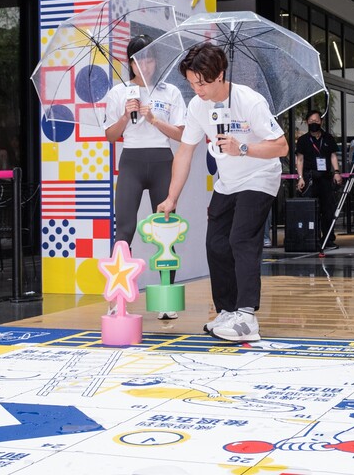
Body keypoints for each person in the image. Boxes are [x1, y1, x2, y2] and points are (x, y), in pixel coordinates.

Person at [156, 42, 288, 343]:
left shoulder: (249, 101)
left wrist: (243, 148)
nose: (197, 89)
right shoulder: (197, 106)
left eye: (201, 83)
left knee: (240, 238)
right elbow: (185, 152)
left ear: (220, 75)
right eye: (191, 83)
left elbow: (281, 146)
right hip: (228, 183)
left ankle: (246, 317)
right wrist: (172, 197)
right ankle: (227, 310)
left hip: (260, 176)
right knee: (215, 243)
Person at [104, 34, 187, 320]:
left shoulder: (170, 92)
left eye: (151, 58)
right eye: (140, 60)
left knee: (167, 230)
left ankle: (166, 297)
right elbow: (110, 136)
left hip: (163, 160)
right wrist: (127, 117)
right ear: (131, 63)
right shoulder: (118, 93)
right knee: (124, 230)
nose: (146, 65)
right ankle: (117, 298)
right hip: (131, 162)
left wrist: (154, 120)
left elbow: (182, 135)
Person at [295, 109, 343, 250]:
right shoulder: (303, 140)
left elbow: (333, 156)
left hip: (326, 179)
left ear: (321, 121)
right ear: (306, 123)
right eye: (311, 122)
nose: (314, 123)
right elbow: (300, 159)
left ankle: (328, 239)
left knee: (328, 210)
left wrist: (336, 172)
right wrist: (300, 177)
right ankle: (311, 238)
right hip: (310, 178)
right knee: (311, 210)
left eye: (316, 121)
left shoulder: (328, 138)